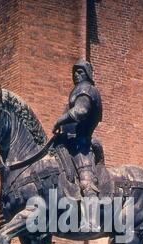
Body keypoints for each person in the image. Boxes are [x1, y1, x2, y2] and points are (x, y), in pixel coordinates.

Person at [53, 59, 103, 231]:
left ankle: (92, 220)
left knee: (86, 181)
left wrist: (59, 120)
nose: (76, 74)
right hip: (67, 144)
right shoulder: (76, 93)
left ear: (87, 74)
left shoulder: (87, 90)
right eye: (74, 71)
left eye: (80, 71)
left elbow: (81, 111)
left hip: (82, 145)